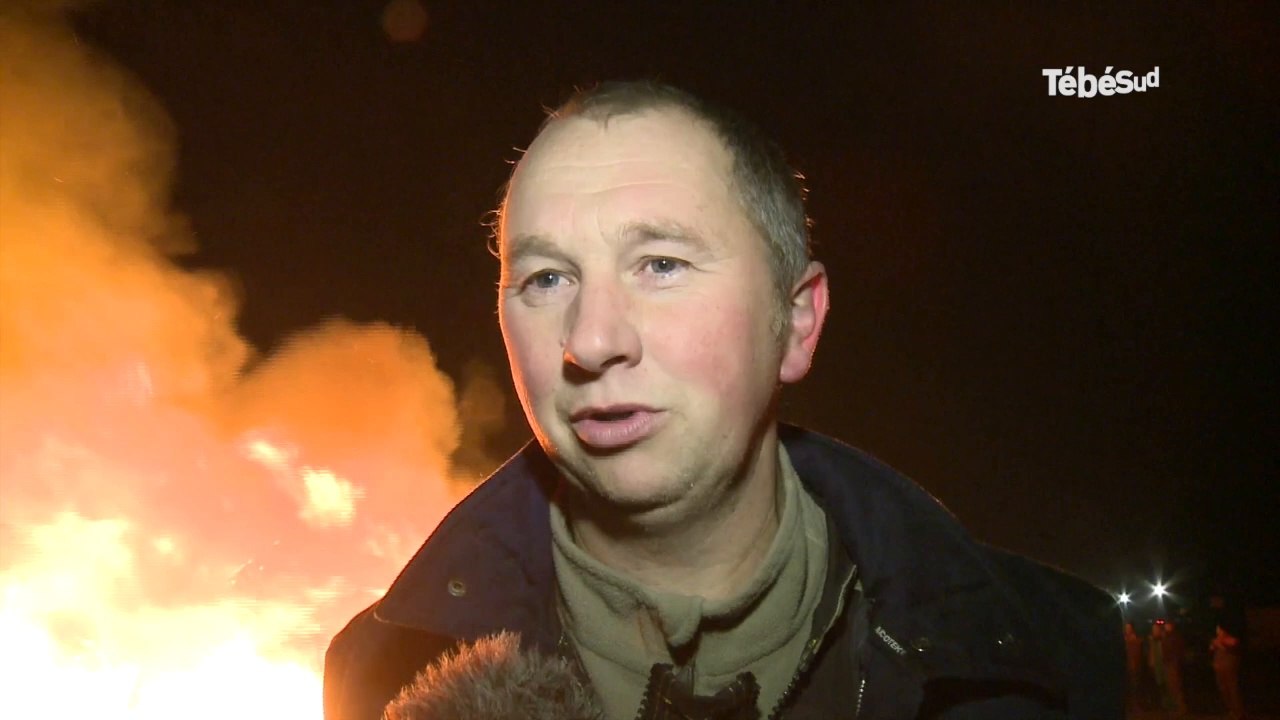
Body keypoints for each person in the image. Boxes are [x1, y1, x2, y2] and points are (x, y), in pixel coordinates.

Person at [324, 79, 1123, 719]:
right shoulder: (383, 674)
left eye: (661, 264)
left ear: (797, 322)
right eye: (546, 279)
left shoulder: (1051, 656)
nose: (593, 338)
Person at [1210, 624, 1245, 720]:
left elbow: (1233, 649)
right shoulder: (1216, 640)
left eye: (1220, 630)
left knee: (1233, 690)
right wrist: (1214, 645)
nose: (1218, 632)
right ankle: (1231, 710)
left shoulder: (1231, 640)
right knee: (1223, 690)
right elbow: (1211, 650)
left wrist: (1220, 644)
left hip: (1229, 669)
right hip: (1219, 669)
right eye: (1217, 630)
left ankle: (1239, 712)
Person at [1123, 622, 1145, 713]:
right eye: (1126, 628)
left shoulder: (1134, 638)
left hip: (1134, 667)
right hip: (1126, 668)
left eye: (1129, 628)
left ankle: (1136, 706)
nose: (1128, 629)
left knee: (1135, 688)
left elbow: (1137, 653)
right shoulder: (1124, 638)